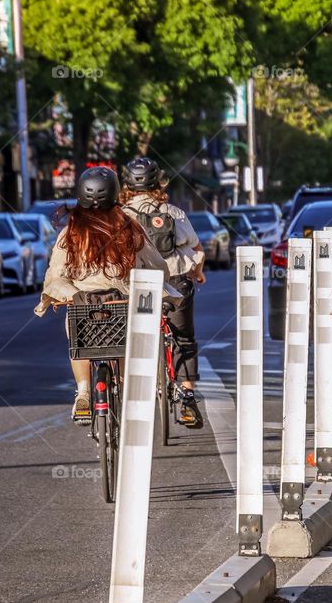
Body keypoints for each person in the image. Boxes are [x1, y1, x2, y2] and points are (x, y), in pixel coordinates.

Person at [34, 166, 171, 424]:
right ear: (115, 194)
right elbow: (157, 266)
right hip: (120, 304)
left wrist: (64, 295)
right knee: (122, 342)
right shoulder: (130, 228)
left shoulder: (70, 233)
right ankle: (120, 384)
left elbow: (55, 274)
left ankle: (84, 392)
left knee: (80, 344)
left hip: (83, 306)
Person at [119, 157, 206, 428]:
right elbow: (197, 248)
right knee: (184, 339)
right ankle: (188, 395)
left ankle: (126, 391)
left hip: (135, 286)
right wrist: (198, 272)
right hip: (175, 282)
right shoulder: (173, 213)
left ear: (127, 185)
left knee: (128, 338)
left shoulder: (119, 216)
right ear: (159, 183)